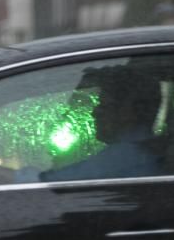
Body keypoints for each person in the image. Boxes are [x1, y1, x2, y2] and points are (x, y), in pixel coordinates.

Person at [18, 69, 164, 183]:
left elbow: (47, 183)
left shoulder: (126, 156)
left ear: (128, 111)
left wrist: (9, 175)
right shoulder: (143, 151)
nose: (95, 113)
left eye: (103, 105)